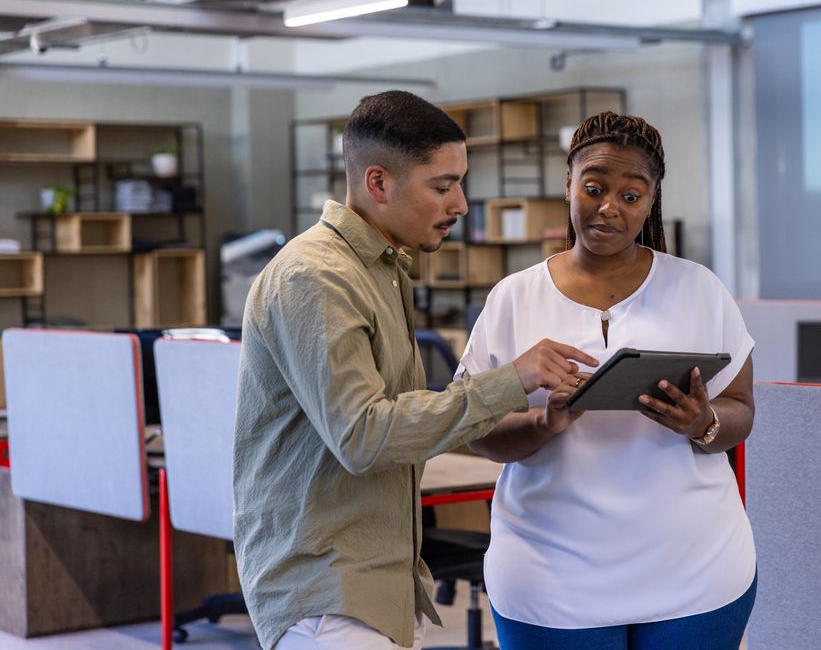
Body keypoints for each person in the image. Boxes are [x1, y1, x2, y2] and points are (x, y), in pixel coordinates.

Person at [233, 90, 597, 650]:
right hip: (326, 597)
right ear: (378, 183)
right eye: (443, 185)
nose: (461, 205)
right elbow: (363, 435)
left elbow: (391, 425)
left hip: (376, 585)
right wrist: (513, 380)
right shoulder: (316, 277)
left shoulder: (382, 269)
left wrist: (530, 420)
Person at [460, 111, 758, 650]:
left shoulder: (699, 289)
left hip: (695, 571)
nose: (609, 208)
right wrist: (543, 421)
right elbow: (475, 430)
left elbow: (740, 411)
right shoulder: (513, 297)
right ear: (568, 185)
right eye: (594, 188)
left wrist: (703, 422)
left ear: (651, 200)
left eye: (631, 196)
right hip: (549, 577)